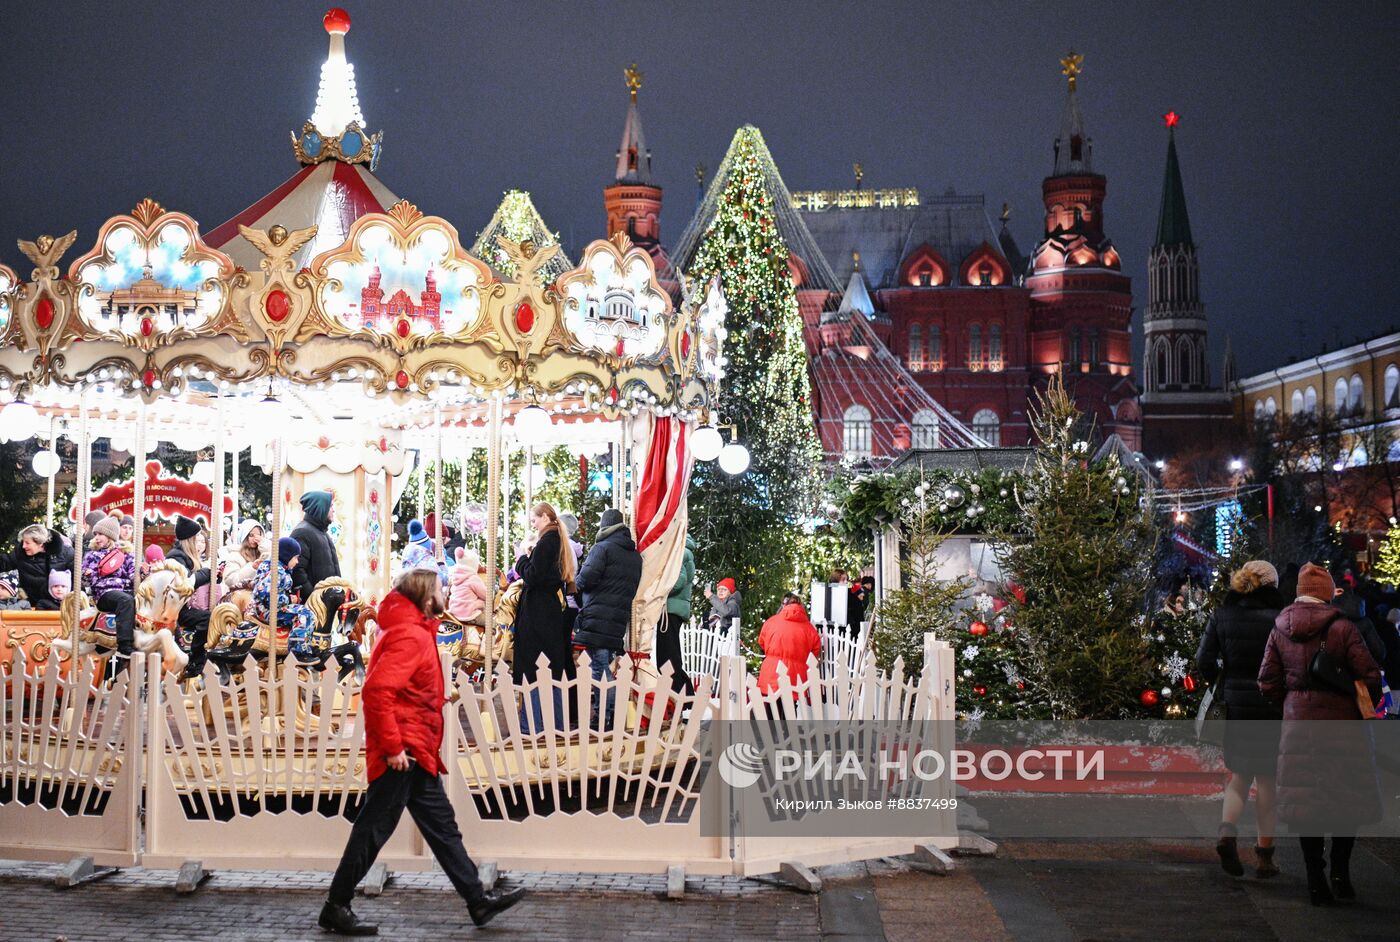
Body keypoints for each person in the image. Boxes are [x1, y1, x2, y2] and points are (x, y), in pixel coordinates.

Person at [320, 568, 527, 935]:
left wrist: (432, 698)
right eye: (440, 589)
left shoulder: (413, 630)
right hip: (404, 752)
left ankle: (477, 900)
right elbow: (378, 692)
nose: (445, 594)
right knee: (372, 830)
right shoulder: (410, 635)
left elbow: (405, 686)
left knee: (443, 829)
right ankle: (336, 904)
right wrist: (394, 746)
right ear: (425, 597)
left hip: (416, 749)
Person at [1258, 562, 1382, 905]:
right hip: (1343, 727)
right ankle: (1340, 873)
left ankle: (1315, 880)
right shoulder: (1342, 628)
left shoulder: (1280, 628)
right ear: (1327, 593)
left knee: (1306, 805)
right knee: (1346, 800)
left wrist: (1291, 703)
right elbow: (1370, 675)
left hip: (1299, 725)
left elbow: (1267, 681)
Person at [1195, 560, 1286, 878]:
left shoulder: (1223, 615)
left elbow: (1203, 658)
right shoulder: (1280, 619)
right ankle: (1264, 857)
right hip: (1271, 707)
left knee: (1239, 775)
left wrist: (1220, 684)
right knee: (1267, 782)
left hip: (1235, 706)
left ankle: (1226, 833)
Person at [573, 508, 642, 730]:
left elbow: (586, 578)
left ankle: (605, 717)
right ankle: (609, 715)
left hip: (598, 614)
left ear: (604, 526)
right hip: (617, 617)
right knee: (604, 665)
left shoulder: (602, 548)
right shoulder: (633, 555)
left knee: (599, 668)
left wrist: (574, 583)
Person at [512, 502, 576, 733]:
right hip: (547, 611)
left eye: (535, 519)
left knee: (534, 669)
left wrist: (521, 558)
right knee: (551, 670)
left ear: (546, 517)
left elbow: (533, 576)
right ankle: (556, 725)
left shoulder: (548, 541)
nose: (533, 523)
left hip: (538, 613)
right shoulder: (556, 540)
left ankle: (532, 726)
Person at [81, 516, 136, 674]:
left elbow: (133, 575)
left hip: (124, 592)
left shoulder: (125, 554)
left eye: (100, 534)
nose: (96, 537)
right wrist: (87, 574)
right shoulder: (92, 555)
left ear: (111, 536)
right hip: (104, 594)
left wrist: (143, 573)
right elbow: (83, 581)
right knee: (125, 601)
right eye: (96, 534)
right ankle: (125, 646)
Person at [253, 538, 319, 660]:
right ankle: (298, 651)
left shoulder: (278, 569)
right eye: (295, 557)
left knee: (301, 610)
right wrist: (288, 599)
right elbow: (265, 594)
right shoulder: (277, 572)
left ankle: (304, 643)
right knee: (304, 614)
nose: (297, 561)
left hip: (266, 608)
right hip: (267, 610)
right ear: (286, 556)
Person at [165, 516, 213, 676]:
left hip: (182, 606)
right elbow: (184, 585)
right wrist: (206, 573)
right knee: (207, 618)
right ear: (190, 540)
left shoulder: (186, 557)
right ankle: (196, 661)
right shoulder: (176, 557)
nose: (200, 541)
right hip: (175, 609)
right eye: (197, 538)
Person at [757, 593, 822, 696]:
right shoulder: (809, 628)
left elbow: (762, 642)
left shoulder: (771, 621)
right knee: (790, 709)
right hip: (796, 675)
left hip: (771, 671)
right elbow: (815, 652)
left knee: (770, 707)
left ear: (784, 605)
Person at [0, 524, 73, 612]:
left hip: (60, 606)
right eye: (23, 542)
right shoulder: (20, 554)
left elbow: (77, 579)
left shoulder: (65, 554)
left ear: (40, 543)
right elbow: (4, 562)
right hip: (33, 604)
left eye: (27, 543)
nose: (23, 546)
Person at [656, 535, 695, 695]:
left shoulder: (679, 552)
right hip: (675, 608)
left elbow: (678, 581)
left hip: (670, 609)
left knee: (667, 656)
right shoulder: (684, 551)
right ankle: (685, 693)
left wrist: (658, 589)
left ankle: (678, 692)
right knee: (671, 653)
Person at [291, 490, 340, 601]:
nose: (333, 510)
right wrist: (314, 598)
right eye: (330, 506)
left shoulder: (322, 532)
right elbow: (297, 571)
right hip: (314, 607)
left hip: (327, 603)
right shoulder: (302, 532)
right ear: (320, 508)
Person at [447, 548, 487, 624]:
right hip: (469, 614)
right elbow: (485, 595)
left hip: (454, 613)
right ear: (473, 564)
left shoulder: (455, 577)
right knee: (492, 623)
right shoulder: (473, 578)